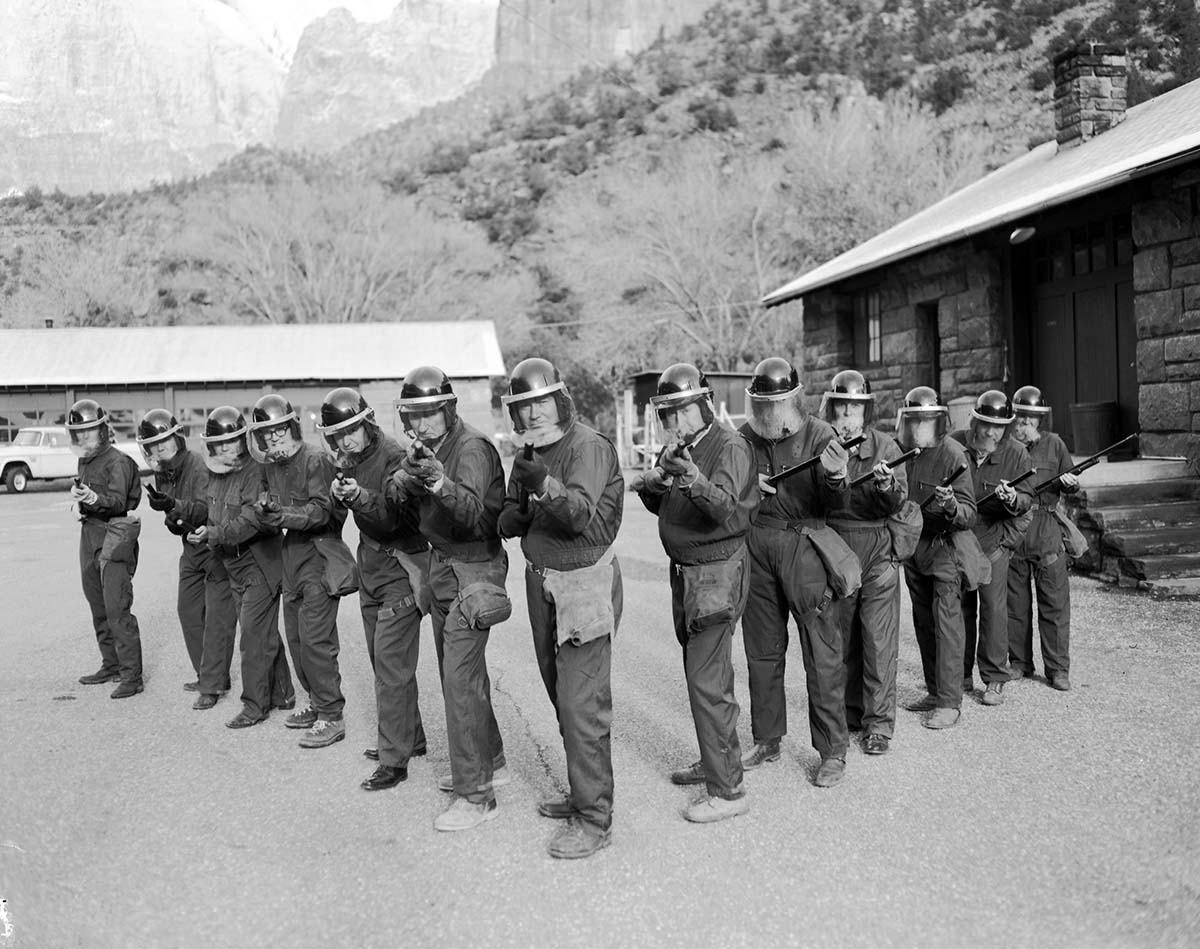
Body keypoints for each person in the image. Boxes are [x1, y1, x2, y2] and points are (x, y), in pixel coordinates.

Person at [498, 357, 623, 858]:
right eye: (524, 407)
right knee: (560, 694)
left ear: (561, 401)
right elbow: (509, 519)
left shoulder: (588, 446)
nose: (533, 415)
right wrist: (517, 508)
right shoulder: (530, 452)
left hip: (584, 583)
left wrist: (540, 486)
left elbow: (578, 515)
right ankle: (583, 792)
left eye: (542, 403)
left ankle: (594, 819)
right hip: (543, 581)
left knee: (580, 704)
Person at [632, 364, 757, 823]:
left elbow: (724, 508)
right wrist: (656, 483)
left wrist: (688, 476)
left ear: (705, 405)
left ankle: (728, 791)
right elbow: (669, 508)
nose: (675, 421)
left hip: (716, 572)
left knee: (708, 681)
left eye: (683, 411)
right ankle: (715, 759)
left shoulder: (730, 446)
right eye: (667, 413)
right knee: (704, 675)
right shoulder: (682, 448)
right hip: (687, 573)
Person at [393, 366, 511, 832]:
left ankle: (476, 794)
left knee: (459, 682)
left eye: (429, 414)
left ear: (448, 409)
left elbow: (478, 518)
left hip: (473, 566)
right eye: (413, 415)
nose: (421, 424)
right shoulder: (432, 448)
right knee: (463, 675)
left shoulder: (472, 448)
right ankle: (491, 761)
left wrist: (439, 484)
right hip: (443, 566)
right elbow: (400, 501)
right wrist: (409, 477)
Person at [737, 357, 859, 788]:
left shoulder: (820, 435)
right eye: (763, 404)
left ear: (793, 399)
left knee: (822, 654)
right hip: (757, 546)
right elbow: (729, 490)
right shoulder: (743, 438)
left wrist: (835, 475)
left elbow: (838, 504)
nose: (770, 412)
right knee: (761, 651)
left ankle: (832, 751)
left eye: (777, 403)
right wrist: (748, 486)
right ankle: (767, 738)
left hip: (805, 545)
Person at [319, 387, 430, 791]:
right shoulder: (349, 458)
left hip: (401, 565)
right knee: (383, 662)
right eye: (337, 435)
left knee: (390, 667)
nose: (345, 441)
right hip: (370, 567)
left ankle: (393, 760)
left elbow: (392, 517)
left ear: (367, 423)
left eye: (350, 431)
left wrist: (358, 497)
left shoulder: (394, 456)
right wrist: (339, 495)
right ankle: (411, 737)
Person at [248, 394, 348, 749]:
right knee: (296, 639)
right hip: (291, 556)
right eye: (267, 432)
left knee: (317, 641)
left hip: (319, 553)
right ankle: (317, 702)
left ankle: (332, 715)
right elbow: (267, 499)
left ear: (291, 426)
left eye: (279, 429)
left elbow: (322, 512)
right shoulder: (271, 465)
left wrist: (283, 515)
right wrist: (264, 506)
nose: (274, 437)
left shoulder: (315, 459)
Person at [820, 370, 908, 755]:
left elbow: (899, 501)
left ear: (865, 412)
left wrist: (887, 486)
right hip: (837, 549)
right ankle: (849, 712)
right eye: (841, 408)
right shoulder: (823, 446)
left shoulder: (886, 446)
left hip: (877, 551)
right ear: (832, 409)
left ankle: (879, 724)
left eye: (854, 409)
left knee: (878, 639)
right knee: (841, 637)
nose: (847, 417)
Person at [197, 406, 295, 729]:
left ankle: (255, 705)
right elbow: (209, 511)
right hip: (232, 563)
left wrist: (215, 535)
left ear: (244, 439)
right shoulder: (216, 473)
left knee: (253, 636)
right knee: (262, 632)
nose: (226, 448)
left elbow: (253, 519)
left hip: (260, 563)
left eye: (232, 441)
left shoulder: (256, 471)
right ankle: (283, 694)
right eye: (219, 443)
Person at [137, 409, 237, 709]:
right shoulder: (164, 472)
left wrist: (175, 506)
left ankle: (212, 683)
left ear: (177, 437)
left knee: (217, 618)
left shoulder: (198, 465)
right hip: (191, 548)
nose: (159, 449)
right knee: (189, 611)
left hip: (214, 546)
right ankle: (206, 673)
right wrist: (170, 513)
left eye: (163, 441)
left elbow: (207, 509)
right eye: (153, 445)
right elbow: (174, 521)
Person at [899, 386, 977, 729]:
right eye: (914, 420)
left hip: (945, 547)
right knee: (924, 623)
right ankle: (934, 691)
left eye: (925, 420)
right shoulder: (905, 451)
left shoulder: (953, 454)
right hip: (915, 548)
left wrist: (951, 505)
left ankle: (949, 702)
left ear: (938, 419)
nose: (920, 426)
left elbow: (970, 513)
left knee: (947, 625)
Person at [951, 391, 1033, 706]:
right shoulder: (954, 443)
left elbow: (1026, 499)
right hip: (959, 540)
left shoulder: (1017, 454)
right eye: (986, 424)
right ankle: (959, 675)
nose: (991, 432)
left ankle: (995, 677)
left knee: (994, 611)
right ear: (974, 421)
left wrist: (1013, 499)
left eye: (999, 426)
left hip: (992, 542)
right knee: (959, 609)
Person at [68, 399, 144, 699]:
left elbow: (118, 502)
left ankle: (132, 676)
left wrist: (93, 499)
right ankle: (111, 664)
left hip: (114, 533)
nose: (83, 436)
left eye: (89, 430)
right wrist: (80, 499)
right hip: (89, 533)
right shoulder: (85, 459)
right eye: (79, 431)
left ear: (102, 429)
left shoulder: (118, 461)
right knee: (97, 603)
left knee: (116, 606)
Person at [1007, 385, 1079, 691]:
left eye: (1030, 418)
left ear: (1040, 419)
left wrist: (1070, 483)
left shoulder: (1055, 444)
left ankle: (1058, 668)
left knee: (1055, 603)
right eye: (1020, 417)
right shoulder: (1006, 446)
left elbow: (1072, 482)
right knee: (1014, 603)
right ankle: (1019, 662)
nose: (1024, 423)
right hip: (1014, 529)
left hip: (1047, 528)